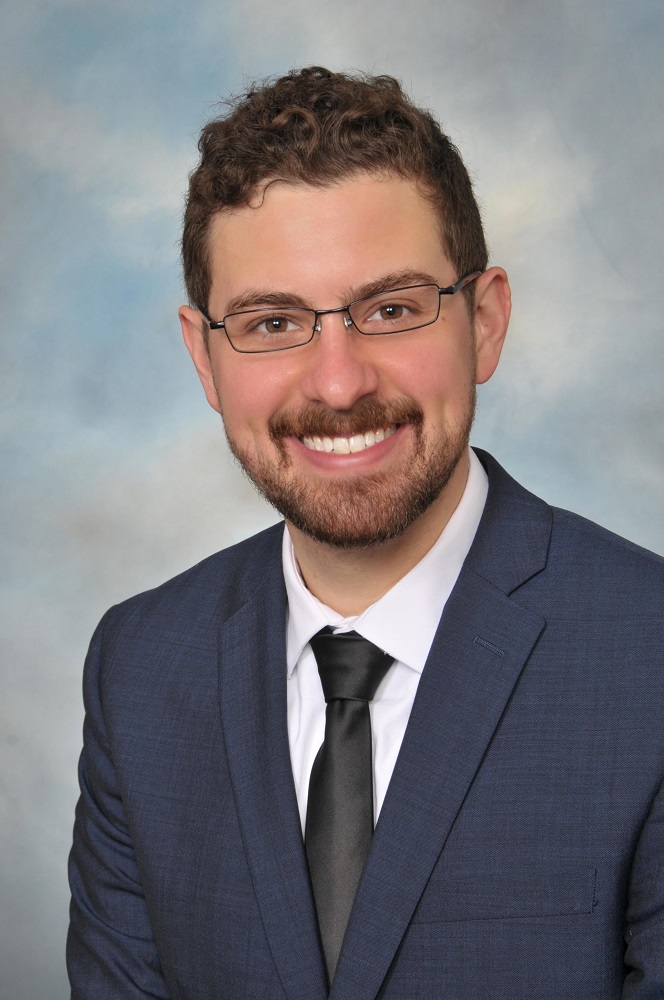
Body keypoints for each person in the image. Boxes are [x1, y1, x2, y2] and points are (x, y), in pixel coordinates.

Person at [67, 66, 664, 999]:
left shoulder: (649, 653)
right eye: (273, 321)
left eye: (391, 309)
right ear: (205, 358)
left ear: (486, 320)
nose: (339, 383)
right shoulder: (139, 668)